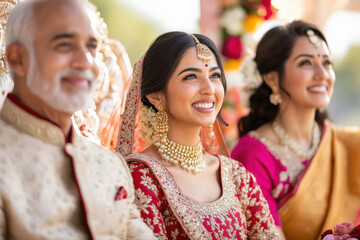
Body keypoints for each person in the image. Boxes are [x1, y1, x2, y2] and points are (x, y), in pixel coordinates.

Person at [0, 0, 156, 239]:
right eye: (64, 45)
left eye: (92, 47)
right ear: (18, 58)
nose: (87, 62)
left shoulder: (111, 165)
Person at [101, 31, 280, 239]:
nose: (209, 89)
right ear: (155, 96)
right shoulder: (142, 177)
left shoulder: (238, 177)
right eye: (191, 77)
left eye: (215, 76)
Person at [231, 20, 360, 240]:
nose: (322, 74)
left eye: (327, 63)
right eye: (306, 63)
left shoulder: (348, 144)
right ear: (272, 78)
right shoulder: (252, 154)